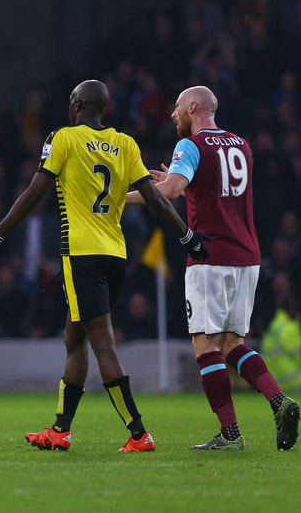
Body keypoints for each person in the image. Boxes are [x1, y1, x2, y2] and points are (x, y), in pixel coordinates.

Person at [0, 80, 209, 453]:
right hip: (115, 255)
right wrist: (187, 235)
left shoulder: (62, 138)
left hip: (81, 255)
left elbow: (34, 192)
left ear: (77, 104)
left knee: (102, 343)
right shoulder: (125, 143)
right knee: (74, 337)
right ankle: (60, 429)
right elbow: (155, 200)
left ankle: (139, 433)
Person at [126, 86, 299, 450]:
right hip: (247, 256)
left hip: (209, 257)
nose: (173, 115)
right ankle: (279, 401)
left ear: (192, 107)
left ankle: (231, 435)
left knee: (205, 345)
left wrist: (117, 199)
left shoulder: (190, 145)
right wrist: (176, 185)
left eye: (176, 107)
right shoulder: (241, 144)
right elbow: (208, 189)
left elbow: (171, 191)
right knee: (233, 342)